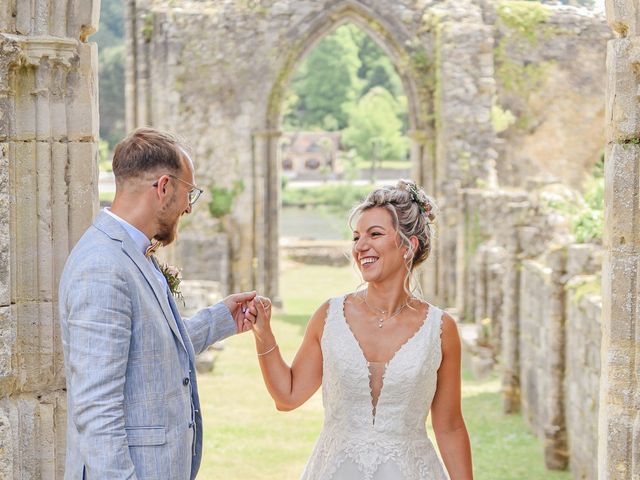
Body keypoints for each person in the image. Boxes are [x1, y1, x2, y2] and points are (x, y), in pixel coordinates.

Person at [59, 127, 257, 479]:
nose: (188, 208)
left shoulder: (135, 252)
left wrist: (221, 319)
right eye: (188, 194)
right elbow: (96, 410)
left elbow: (152, 351)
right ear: (164, 187)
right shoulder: (102, 266)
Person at [250, 180, 473, 479]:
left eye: (375, 234)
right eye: (356, 237)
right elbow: (287, 397)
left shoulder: (440, 329)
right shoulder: (329, 316)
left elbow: (449, 425)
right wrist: (265, 336)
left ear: (409, 246)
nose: (360, 246)